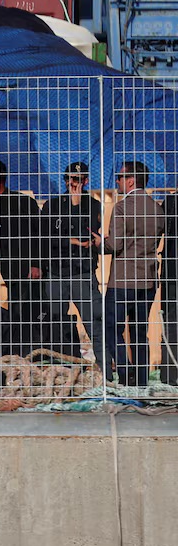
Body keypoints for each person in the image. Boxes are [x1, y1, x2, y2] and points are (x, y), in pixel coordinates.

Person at [0, 159, 45, 342]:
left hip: (28, 274)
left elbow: (39, 235)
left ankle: (38, 358)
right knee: (17, 319)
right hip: (10, 275)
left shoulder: (22, 203)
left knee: (32, 318)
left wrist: (36, 265)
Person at [102, 160, 161, 386]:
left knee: (111, 328)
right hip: (147, 280)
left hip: (122, 281)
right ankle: (142, 381)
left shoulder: (121, 207)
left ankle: (126, 375)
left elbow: (115, 246)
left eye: (119, 177)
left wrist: (100, 242)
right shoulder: (157, 208)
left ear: (130, 180)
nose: (116, 181)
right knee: (139, 332)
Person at [39, 161, 101, 359]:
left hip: (82, 272)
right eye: (69, 179)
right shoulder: (52, 205)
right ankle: (60, 365)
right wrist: (71, 241)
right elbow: (47, 238)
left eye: (77, 180)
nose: (72, 184)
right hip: (57, 271)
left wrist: (76, 203)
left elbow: (86, 236)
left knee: (94, 323)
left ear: (85, 181)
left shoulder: (93, 204)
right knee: (56, 322)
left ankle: (106, 369)